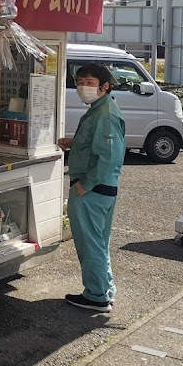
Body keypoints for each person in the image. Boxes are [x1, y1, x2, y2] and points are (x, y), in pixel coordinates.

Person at [57, 63, 126, 313]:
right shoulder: (100, 108)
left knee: (91, 245)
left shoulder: (105, 112)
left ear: (104, 86)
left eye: (89, 82)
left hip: (92, 190)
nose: (83, 87)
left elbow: (109, 157)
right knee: (98, 243)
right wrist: (75, 143)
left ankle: (96, 296)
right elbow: (98, 145)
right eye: (80, 82)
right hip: (100, 189)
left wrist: (83, 186)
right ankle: (104, 290)